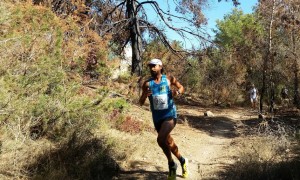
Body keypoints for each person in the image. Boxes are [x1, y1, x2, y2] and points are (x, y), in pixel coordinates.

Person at [139, 59, 188, 179]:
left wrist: (177, 92)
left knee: (160, 139)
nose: (152, 68)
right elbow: (140, 102)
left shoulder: (168, 79)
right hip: (157, 119)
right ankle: (182, 161)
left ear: (160, 66)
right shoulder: (147, 84)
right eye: (150, 66)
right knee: (169, 142)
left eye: (154, 66)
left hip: (170, 115)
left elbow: (181, 87)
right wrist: (145, 95)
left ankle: (171, 164)